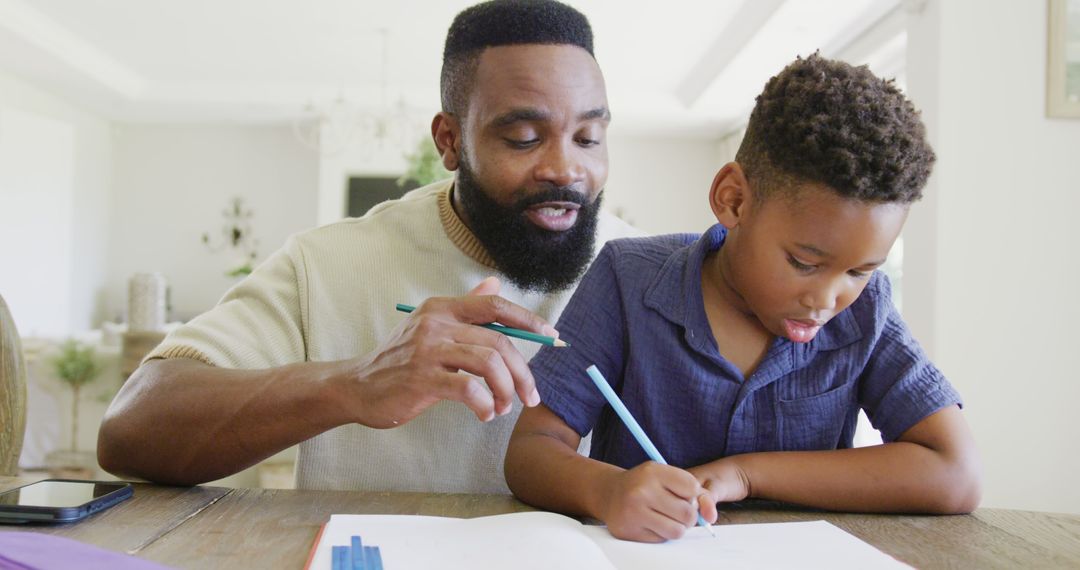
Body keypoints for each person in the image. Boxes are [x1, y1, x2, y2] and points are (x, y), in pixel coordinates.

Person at [97, 0, 640, 493]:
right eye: (523, 138)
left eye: (589, 138)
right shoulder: (326, 265)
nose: (567, 169)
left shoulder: (647, 272)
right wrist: (353, 383)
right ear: (449, 140)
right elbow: (130, 431)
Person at [504, 54, 982, 542]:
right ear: (733, 200)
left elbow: (955, 473)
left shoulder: (867, 307)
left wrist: (747, 473)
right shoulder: (628, 278)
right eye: (804, 263)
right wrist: (608, 491)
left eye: (860, 270)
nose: (826, 298)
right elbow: (531, 451)